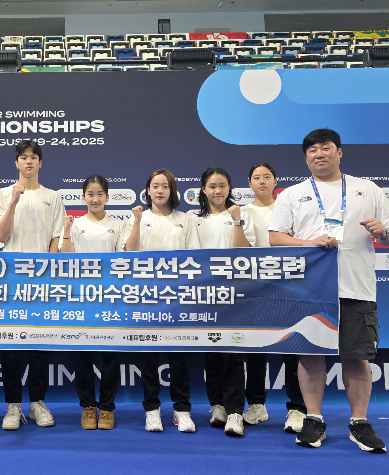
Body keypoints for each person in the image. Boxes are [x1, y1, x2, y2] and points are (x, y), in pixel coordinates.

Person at [268, 128, 389, 453]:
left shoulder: (367, 189)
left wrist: (383, 232)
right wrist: (310, 242)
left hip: (356, 287)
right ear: (306, 158)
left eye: (325, 148)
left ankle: (359, 423)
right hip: (309, 290)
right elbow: (275, 237)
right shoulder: (292, 194)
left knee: (356, 357)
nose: (319, 154)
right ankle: (313, 418)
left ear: (339, 152)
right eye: (312, 150)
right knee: (311, 355)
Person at [0, 139, 65, 430]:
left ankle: (37, 402)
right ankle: (13, 405)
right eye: (24, 157)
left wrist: (47, 275)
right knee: (10, 344)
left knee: (39, 343)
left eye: (34, 157)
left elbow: (56, 238)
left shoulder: (53, 197)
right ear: (16, 163)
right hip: (11, 279)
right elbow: (1, 236)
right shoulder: (1, 194)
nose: (29, 161)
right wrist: (13, 201)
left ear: (40, 163)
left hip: (42, 280)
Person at [123, 169, 200, 434]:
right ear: (147, 190)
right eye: (155, 186)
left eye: (165, 186)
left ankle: (182, 410)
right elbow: (130, 252)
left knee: (178, 357)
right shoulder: (138, 218)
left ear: (172, 190)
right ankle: (152, 410)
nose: (160, 191)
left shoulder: (184, 219)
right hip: (146, 297)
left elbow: (195, 257)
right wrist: (136, 222)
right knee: (149, 356)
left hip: (177, 297)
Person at [186, 167, 255, 437]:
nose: (218, 191)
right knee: (212, 352)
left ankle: (236, 411)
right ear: (203, 189)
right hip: (205, 293)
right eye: (212, 186)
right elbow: (190, 256)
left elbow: (245, 252)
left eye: (222, 185)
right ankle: (217, 406)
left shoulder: (241, 214)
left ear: (229, 187)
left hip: (235, 293)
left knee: (233, 353)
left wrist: (237, 221)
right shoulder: (193, 218)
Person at [241, 163, 307, 434]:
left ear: (276, 180)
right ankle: (256, 404)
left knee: (292, 345)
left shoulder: (289, 207)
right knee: (256, 347)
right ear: (249, 183)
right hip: (256, 287)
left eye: (267, 176)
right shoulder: (242, 212)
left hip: (289, 284)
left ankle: (297, 408)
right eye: (256, 177)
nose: (262, 181)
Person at [60, 175, 125, 430]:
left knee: (111, 356)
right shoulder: (75, 224)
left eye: (100, 194)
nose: (95, 199)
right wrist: (66, 231)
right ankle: (88, 406)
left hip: (110, 297)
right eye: (90, 194)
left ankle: (107, 408)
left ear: (107, 196)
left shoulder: (118, 224)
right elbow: (66, 259)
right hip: (81, 298)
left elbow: (125, 259)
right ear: (83, 196)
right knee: (83, 355)